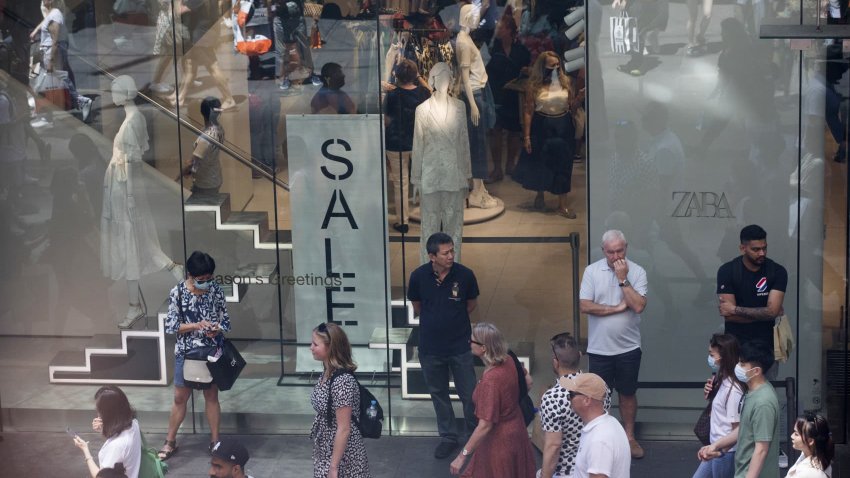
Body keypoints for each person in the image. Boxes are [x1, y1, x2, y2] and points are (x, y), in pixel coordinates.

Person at [407, 232, 479, 459]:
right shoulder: (418, 276)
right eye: (445, 252)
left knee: (469, 394)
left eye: (452, 251)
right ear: (432, 256)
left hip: (460, 347)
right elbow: (417, 305)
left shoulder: (465, 275)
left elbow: (470, 304)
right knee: (439, 395)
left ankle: (474, 436)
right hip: (430, 349)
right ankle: (448, 437)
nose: (451, 255)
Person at [579, 229, 648, 459]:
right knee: (599, 396)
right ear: (603, 251)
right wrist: (615, 309)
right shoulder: (592, 271)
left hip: (628, 348)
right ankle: (602, 439)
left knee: (627, 393)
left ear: (626, 248)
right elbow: (585, 305)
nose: (616, 256)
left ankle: (629, 437)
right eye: (611, 252)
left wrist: (622, 279)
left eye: (620, 250)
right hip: (599, 349)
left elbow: (638, 305)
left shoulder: (637, 272)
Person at [160, 251, 231, 460]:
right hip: (186, 352)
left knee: (211, 396)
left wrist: (216, 329)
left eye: (209, 278)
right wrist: (195, 325)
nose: (206, 282)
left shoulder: (215, 290)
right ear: (191, 274)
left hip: (211, 351)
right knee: (180, 397)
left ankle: (215, 441)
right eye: (202, 279)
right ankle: (170, 441)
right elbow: (171, 326)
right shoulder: (178, 293)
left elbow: (226, 320)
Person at [449, 322, 536, 477]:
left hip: (499, 442)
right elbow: (528, 382)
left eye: (472, 340)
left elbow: (485, 425)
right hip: (517, 430)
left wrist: (462, 456)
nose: (469, 343)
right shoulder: (508, 359)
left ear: (483, 348)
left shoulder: (491, 380)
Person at [512, 51, 578, 219]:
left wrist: (579, 99)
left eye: (557, 65)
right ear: (543, 68)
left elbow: (573, 108)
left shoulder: (567, 82)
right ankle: (540, 195)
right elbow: (528, 110)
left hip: (563, 125)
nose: (555, 69)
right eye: (551, 66)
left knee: (564, 164)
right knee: (540, 162)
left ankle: (562, 204)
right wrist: (526, 136)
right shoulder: (534, 86)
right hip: (542, 125)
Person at [716, 224, 787, 377]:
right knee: (735, 394)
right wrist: (764, 313)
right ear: (742, 248)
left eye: (764, 248)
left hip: (766, 348)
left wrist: (736, 309)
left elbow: (772, 312)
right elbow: (728, 316)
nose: (762, 253)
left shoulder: (777, 271)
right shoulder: (728, 271)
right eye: (756, 249)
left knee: (764, 393)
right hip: (735, 348)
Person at [539, 332, 611, 478]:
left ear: (555, 362)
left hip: (565, 472)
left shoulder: (552, 397)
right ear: (579, 355)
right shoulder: (600, 387)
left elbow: (553, 446)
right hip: (594, 466)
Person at [707, 340, 779, 478]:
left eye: (742, 364)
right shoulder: (751, 392)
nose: (737, 366)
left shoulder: (763, 402)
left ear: (756, 371)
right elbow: (745, 428)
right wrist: (716, 446)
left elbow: (761, 449)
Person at [309, 322, 371, 478]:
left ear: (330, 348)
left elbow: (344, 428)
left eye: (315, 344)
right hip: (326, 448)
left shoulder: (342, 381)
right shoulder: (326, 372)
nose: (311, 347)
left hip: (343, 455)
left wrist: (334, 468)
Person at [383, 59, 430, 231]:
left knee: (400, 183)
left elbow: (386, 120)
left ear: (396, 75)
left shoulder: (393, 95)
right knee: (424, 180)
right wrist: (419, 76)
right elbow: (431, 91)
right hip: (418, 142)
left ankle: (402, 221)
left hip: (395, 142)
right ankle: (429, 216)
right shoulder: (422, 93)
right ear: (414, 75)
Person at [484, 7, 530, 183]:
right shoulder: (491, 49)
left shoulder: (521, 51)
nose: (498, 30)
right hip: (496, 95)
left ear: (509, 30)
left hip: (514, 96)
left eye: (501, 27)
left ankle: (510, 164)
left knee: (513, 132)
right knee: (495, 131)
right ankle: (497, 168)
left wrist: (525, 71)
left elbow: (528, 70)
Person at [693, 333, 746, 478]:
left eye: (712, 354)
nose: (710, 358)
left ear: (722, 356)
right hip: (715, 448)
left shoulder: (733, 390)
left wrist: (718, 450)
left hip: (724, 452)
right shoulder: (721, 379)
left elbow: (737, 430)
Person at [31, 0, 92, 122]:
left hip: (50, 51)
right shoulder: (52, 13)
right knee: (39, 79)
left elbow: (55, 40)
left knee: (51, 79)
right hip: (45, 50)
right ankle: (41, 111)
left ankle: (81, 101)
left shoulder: (55, 14)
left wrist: (51, 60)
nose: (43, 1)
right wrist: (36, 30)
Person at [562, 373, 631, 478]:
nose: (568, 399)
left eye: (571, 394)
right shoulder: (611, 422)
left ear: (587, 400)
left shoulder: (599, 440)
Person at [73, 386, 142, 478]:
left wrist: (85, 449)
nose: (98, 414)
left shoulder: (116, 447)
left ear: (108, 414)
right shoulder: (134, 424)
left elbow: (100, 476)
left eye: (99, 411)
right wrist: (105, 427)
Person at [182, 96, 224, 197]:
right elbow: (201, 158)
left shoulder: (206, 137)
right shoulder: (219, 128)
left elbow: (193, 164)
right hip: (214, 176)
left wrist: (179, 176)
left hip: (205, 183)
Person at [787, 414, 834, 478]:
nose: (792, 436)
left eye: (796, 434)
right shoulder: (811, 457)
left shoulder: (810, 472)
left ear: (810, 441)